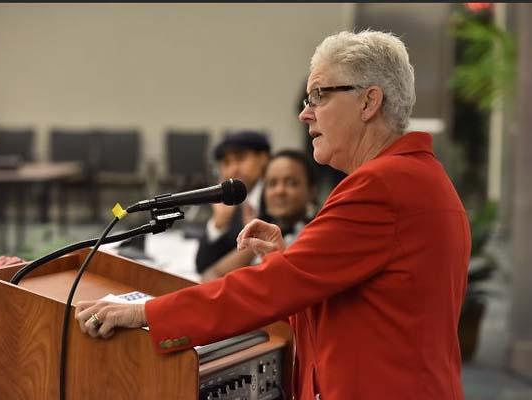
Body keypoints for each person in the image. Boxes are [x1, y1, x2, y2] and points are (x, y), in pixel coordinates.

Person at [76, 30, 471, 400]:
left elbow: (266, 291)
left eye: (319, 95)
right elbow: (360, 306)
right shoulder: (419, 176)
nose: (305, 114)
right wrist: (288, 263)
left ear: (369, 101)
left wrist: (145, 312)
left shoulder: (382, 186)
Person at [201, 149, 318, 282]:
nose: (279, 191)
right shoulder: (266, 231)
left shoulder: (317, 234)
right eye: (272, 184)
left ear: (312, 191)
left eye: (291, 183)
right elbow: (211, 274)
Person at [195, 130, 271, 274]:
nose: (233, 169)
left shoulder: (276, 195)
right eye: (227, 163)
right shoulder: (231, 202)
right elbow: (202, 266)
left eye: (241, 159)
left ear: (263, 158)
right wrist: (218, 226)